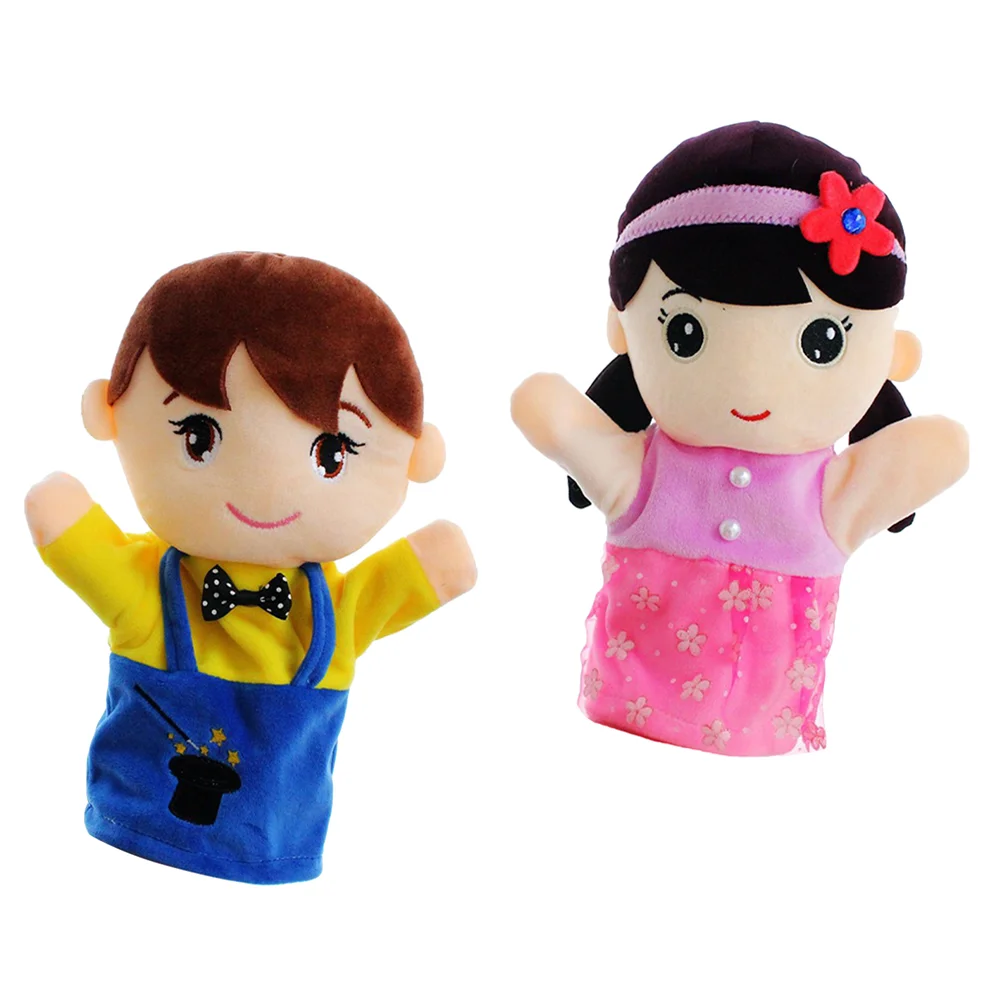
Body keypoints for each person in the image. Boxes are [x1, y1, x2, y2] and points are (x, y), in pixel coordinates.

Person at [512, 122, 967, 756]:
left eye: (822, 342)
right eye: (685, 333)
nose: (751, 384)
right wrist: (563, 422)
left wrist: (920, 454)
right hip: (621, 725)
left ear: (892, 353)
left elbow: (926, 457)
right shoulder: (647, 471)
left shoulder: (827, 493)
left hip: (758, 738)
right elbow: (568, 429)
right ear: (623, 331)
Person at [26, 251, 476, 881]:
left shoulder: (333, 610)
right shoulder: (150, 588)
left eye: (330, 453)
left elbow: (404, 581)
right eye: (199, 437)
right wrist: (65, 519)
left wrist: (431, 564)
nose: (266, 488)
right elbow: (81, 544)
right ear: (110, 414)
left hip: (278, 850)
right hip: (127, 844)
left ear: (415, 459)